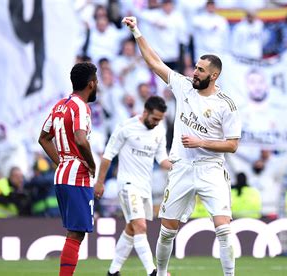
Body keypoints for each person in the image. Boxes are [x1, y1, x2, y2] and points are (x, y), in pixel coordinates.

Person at [122, 16, 241, 276]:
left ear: (214, 75)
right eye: (196, 67)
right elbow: (154, 62)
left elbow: (232, 145)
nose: (194, 72)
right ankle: (161, 274)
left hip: (211, 169)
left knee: (223, 228)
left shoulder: (226, 105)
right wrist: (136, 31)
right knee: (167, 231)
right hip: (182, 168)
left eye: (200, 70)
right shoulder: (184, 87)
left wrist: (201, 142)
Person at [94, 96, 172, 276]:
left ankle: (113, 272)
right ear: (145, 112)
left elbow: (161, 159)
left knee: (131, 228)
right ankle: (153, 272)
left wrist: (177, 166)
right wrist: (100, 182)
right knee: (140, 226)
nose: (156, 123)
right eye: (154, 119)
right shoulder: (125, 127)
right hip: (127, 185)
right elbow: (108, 155)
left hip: (145, 187)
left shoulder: (159, 131)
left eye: (160, 120)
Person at [38, 62, 98, 276]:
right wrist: (91, 164)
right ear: (91, 84)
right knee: (76, 234)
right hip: (77, 176)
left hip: (63, 174)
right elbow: (81, 140)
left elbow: (44, 138)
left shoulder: (60, 106)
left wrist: (62, 161)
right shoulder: (81, 106)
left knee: (75, 233)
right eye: (96, 81)